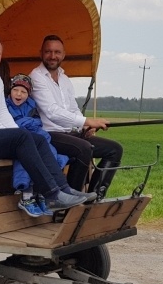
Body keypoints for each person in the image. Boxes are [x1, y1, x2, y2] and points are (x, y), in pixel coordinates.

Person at [0, 35, 93, 214]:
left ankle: (64, 189)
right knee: (23, 137)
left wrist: (20, 136)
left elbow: (2, 111)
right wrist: (15, 138)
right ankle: (52, 195)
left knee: (37, 138)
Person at [30, 34, 124, 199]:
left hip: (71, 134)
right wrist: (87, 121)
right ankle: (71, 200)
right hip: (50, 135)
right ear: (41, 53)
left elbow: (72, 108)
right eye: (48, 52)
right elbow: (51, 111)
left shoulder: (65, 79)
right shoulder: (36, 77)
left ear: (63, 54)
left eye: (57, 52)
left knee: (114, 149)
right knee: (83, 148)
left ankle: (94, 196)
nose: (53, 56)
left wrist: (85, 126)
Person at [5, 73, 75, 216]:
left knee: (51, 154)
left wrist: (26, 123)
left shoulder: (32, 106)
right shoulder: (4, 105)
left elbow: (37, 122)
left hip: (36, 136)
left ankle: (44, 194)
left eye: (23, 91)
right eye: (15, 90)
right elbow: (9, 124)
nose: (19, 94)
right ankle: (26, 195)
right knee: (27, 155)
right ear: (10, 91)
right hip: (15, 140)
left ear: (28, 94)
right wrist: (25, 123)